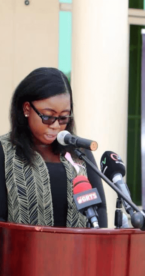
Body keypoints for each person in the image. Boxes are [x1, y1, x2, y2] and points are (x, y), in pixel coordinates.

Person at [0, 67, 107, 228]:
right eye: (48, 116)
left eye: (63, 117)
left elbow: (100, 210)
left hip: (78, 252)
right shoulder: (4, 152)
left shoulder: (79, 153)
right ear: (27, 109)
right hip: (21, 252)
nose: (56, 125)